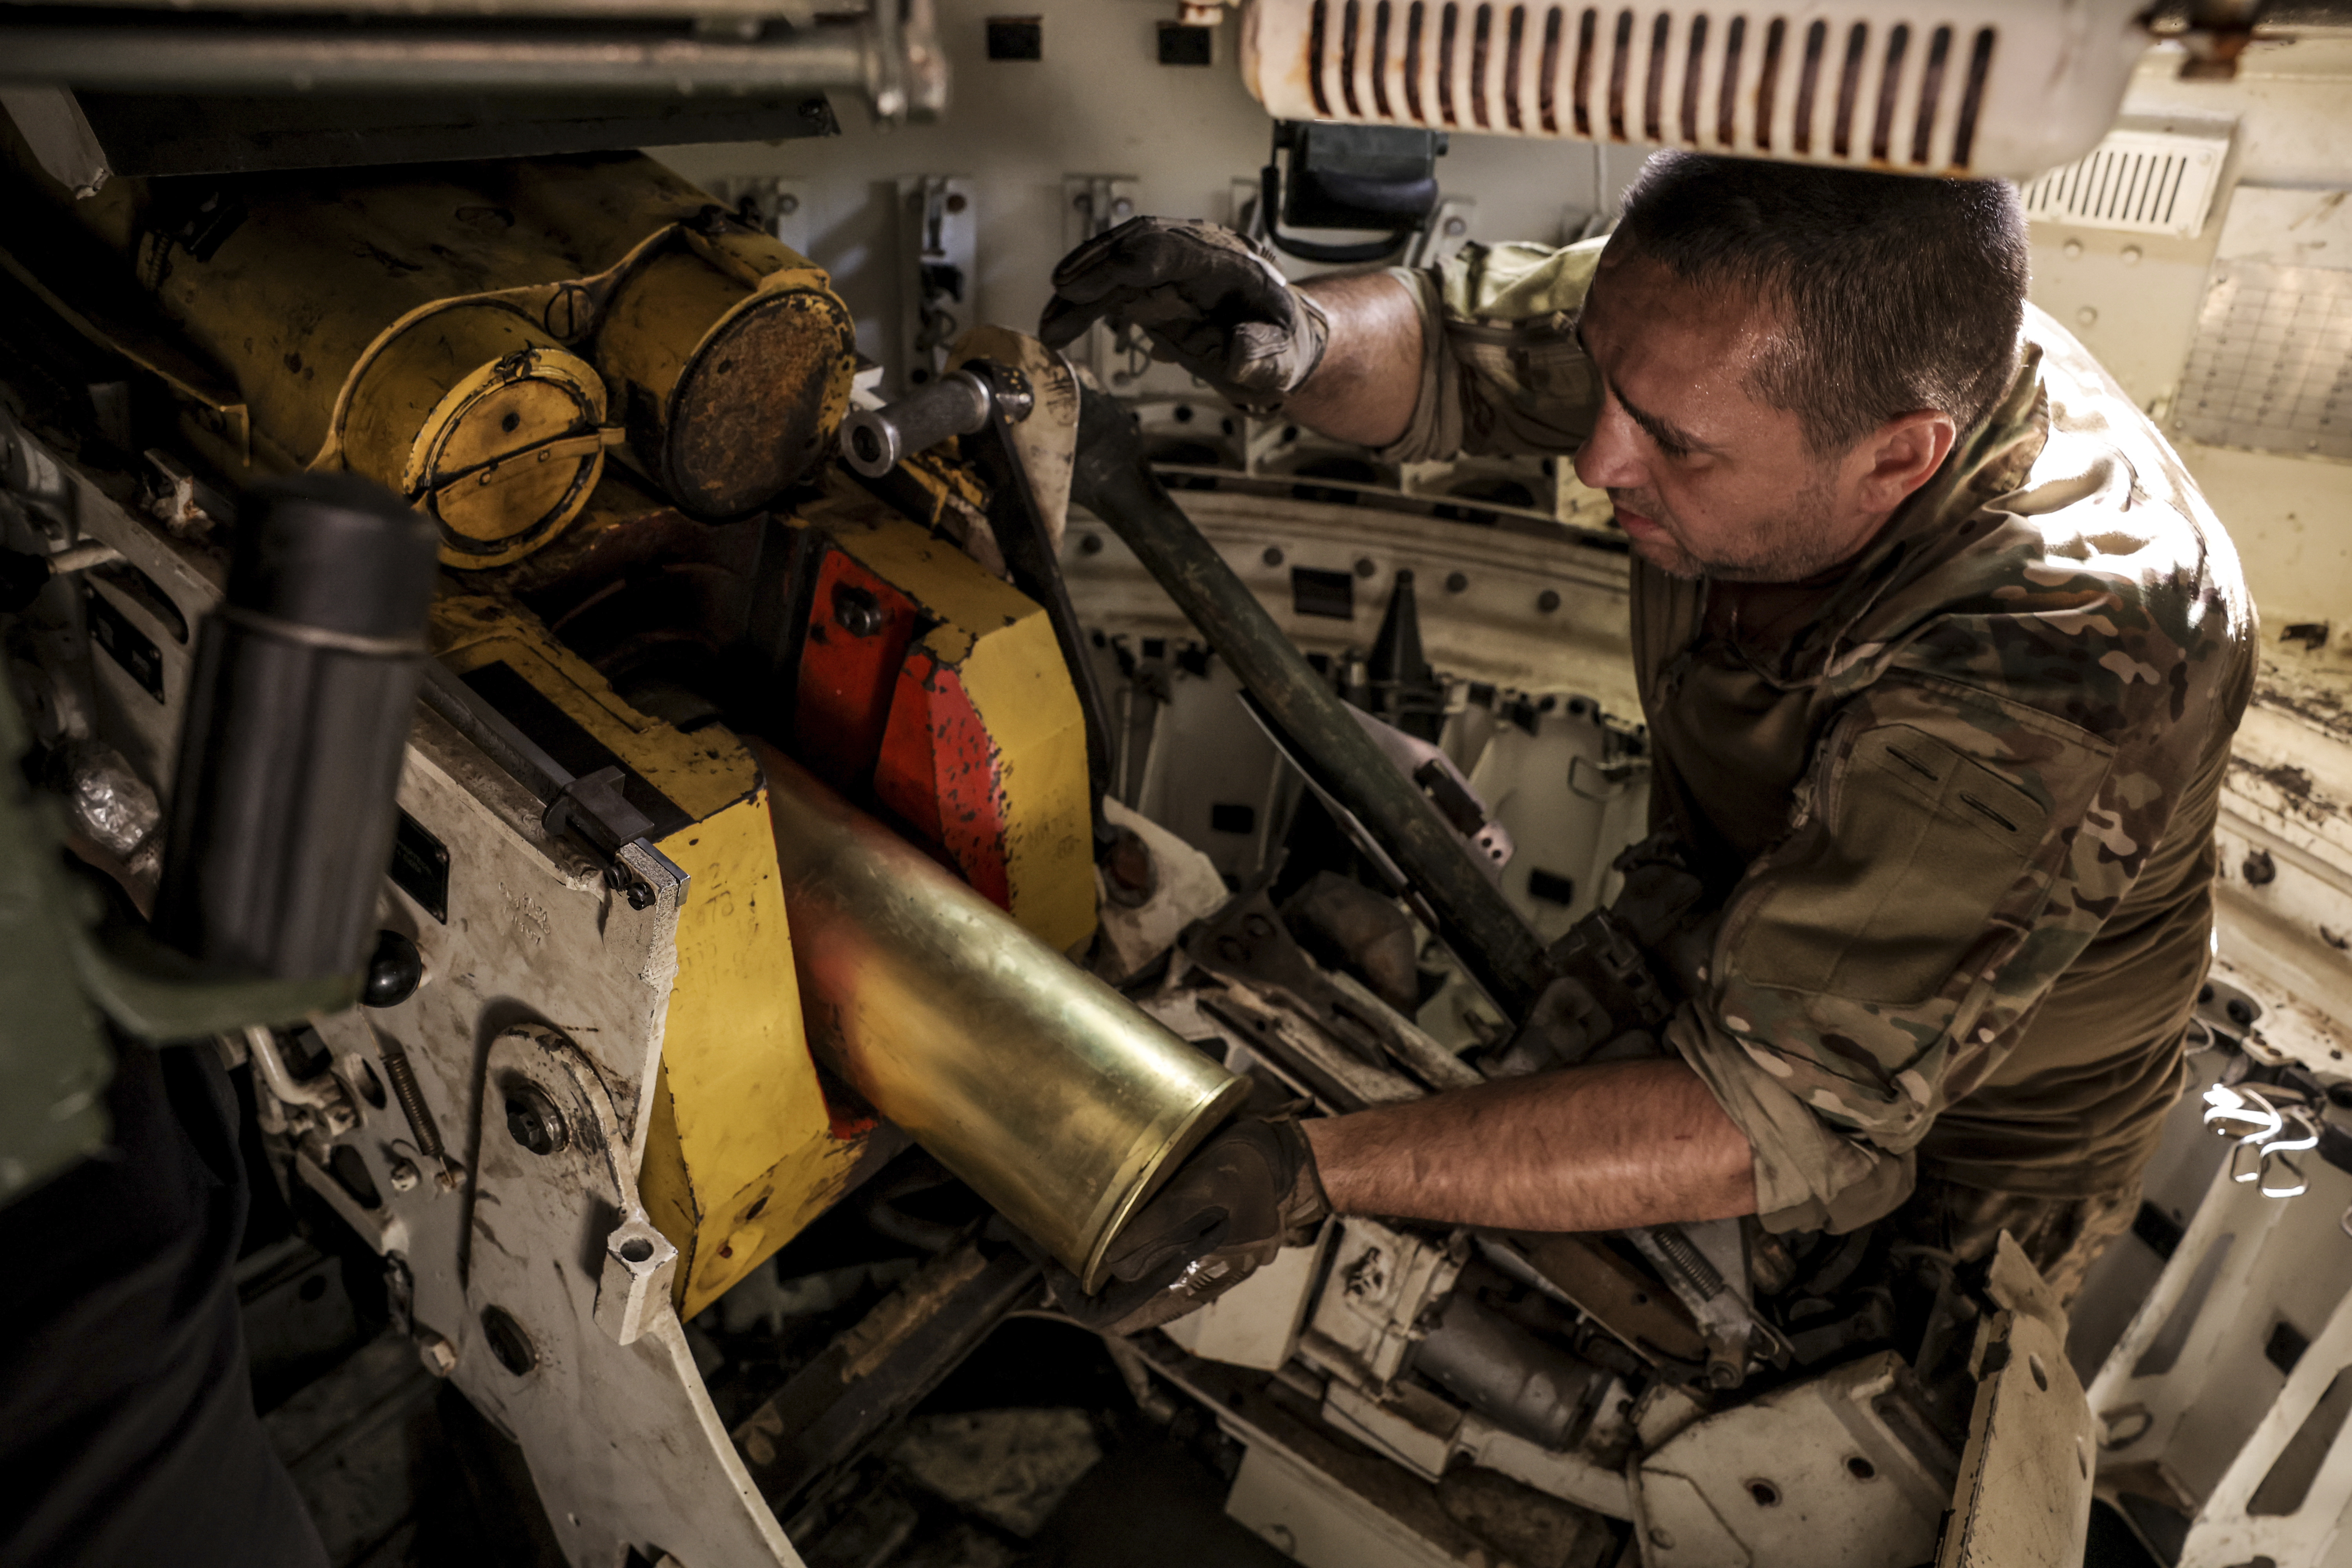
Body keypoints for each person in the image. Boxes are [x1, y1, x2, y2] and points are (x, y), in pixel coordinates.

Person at [1045, 151, 2257, 1323]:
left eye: (1672, 444)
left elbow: (1765, 1123)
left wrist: (1308, 1171)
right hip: (1726, 935)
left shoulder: (2060, 658)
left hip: (1973, 1144)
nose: (1593, 457)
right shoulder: (1721, 325)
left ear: (1898, 458)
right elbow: (1447, 357)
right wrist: (1300, 342)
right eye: (1604, 386)